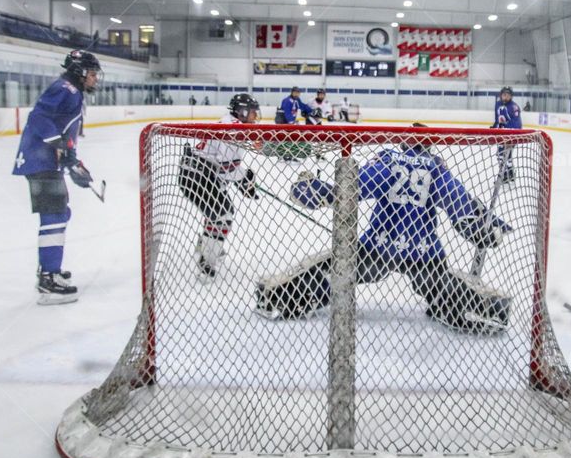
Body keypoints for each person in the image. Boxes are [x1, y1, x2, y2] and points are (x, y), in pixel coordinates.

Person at [255, 124, 513, 334]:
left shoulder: (389, 159)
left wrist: (322, 191)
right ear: (428, 145)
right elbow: (458, 205)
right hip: (424, 253)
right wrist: (482, 225)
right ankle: (482, 307)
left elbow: (356, 186)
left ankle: (282, 295)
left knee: (337, 271)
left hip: (378, 248)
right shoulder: (436, 167)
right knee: (439, 285)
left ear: (404, 142)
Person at [12, 50, 101, 305]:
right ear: (80, 72)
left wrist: (73, 161)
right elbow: (38, 118)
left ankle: (49, 269)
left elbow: (63, 131)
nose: (95, 79)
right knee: (54, 215)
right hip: (39, 160)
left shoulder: (72, 91)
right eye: (92, 74)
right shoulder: (65, 89)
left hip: (46, 160)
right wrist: (61, 147)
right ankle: (48, 279)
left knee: (61, 213)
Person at [177, 94, 261, 277]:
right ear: (242, 112)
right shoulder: (234, 129)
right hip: (198, 176)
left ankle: (207, 245)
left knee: (217, 211)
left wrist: (243, 181)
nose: (255, 117)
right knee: (223, 214)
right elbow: (226, 168)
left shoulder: (232, 124)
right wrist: (244, 179)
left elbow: (226, 166)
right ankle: (206, 262)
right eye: (253, 113)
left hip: (199, 174)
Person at [492, 86, 522, 183]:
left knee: (506, 155)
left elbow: (517, 124)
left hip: (511, 134)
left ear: (511, 96)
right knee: (501, 155)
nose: (506, 97)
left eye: (508, 95)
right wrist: (495, 126)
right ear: (501, 95)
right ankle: (508, 174)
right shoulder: (497, 104)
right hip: (501, 134)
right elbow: (497, 119)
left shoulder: (514, 107)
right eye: (504, 94)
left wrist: (510, 134)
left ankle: (507, 174)